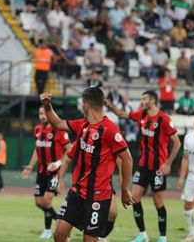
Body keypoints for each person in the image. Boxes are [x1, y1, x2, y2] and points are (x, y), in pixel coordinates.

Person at [41, 88, 134, 242]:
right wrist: (47, 106)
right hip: (77, 191)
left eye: (81, 103)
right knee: (59, 234)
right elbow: (57, 123)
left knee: (90, 239)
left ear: (86, 105)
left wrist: (125, 190)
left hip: (98, 196)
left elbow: (127, 158)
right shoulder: (83, 125)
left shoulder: (110, 129)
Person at [105, 90, 181, 242]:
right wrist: (109, 105)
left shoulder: (164, 119)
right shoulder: (141, 115)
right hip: (143, 166)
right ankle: (143, 234)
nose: (142, 101)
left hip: (158, 167)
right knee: (135, 198)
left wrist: (168, 163)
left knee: (158, 201)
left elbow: (177, 143)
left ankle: (163, 236)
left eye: (145, 98)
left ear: (152, 100)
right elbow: (122, 114)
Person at [21, 106, 71, 239]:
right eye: (40, 113)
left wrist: (58, 163)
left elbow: (69, 149)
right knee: (39, 202)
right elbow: (37, 149)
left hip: (55, 172)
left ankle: (49, 230)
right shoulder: (37, 129)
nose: (42, 116)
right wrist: (30, 167)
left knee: (47, 201)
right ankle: (62, 222)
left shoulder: (59, 130)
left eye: (44, 113)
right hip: (41, 171)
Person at [177, 115, 194, 242]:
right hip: (192, 176)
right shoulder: (188, 138)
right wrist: (182, 178)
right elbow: (185, 159)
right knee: (188, 205)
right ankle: (193, 234)